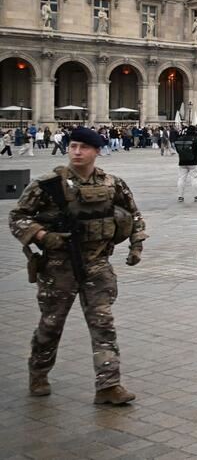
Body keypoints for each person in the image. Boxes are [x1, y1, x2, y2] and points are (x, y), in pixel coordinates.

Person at [9, 126, 147, 404]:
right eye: (73, 146)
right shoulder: (48, 184)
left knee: (103, 324)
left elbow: (133, 214)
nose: (76, 152)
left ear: (97, 151)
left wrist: (136, 245)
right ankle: (38, 372)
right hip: (58, 266)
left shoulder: (112, 183)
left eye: (83, 147)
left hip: (96, 263)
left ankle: (108, 385)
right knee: (51, 324)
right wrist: (43, 236)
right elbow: (18, 217)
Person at [174, 126, 197, 202]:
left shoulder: (180, 139)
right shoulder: (195, 139)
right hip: (193, 161)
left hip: (182, 161)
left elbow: (178, 150)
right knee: (194, 178)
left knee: (181, 179)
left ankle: (180, 196)